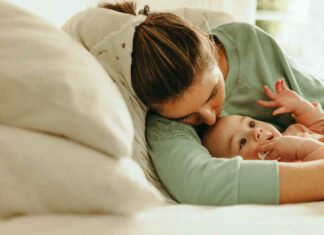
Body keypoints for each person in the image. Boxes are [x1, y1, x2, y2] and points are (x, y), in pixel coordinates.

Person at [96, 1, 324, 205]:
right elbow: (199, 182)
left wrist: (305, 113)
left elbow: (315, 100)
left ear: (209, 43)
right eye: (188, 116)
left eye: (212, 93)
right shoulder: (163, 119)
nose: (210, 117)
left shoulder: (247, 43)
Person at [202, 79, 324, 162]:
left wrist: (301, 106)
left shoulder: (295, 130)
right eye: (242, 142)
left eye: (251, 124)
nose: (256, 132)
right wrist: (299, 149)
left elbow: (320, 125)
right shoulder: (284, 171)